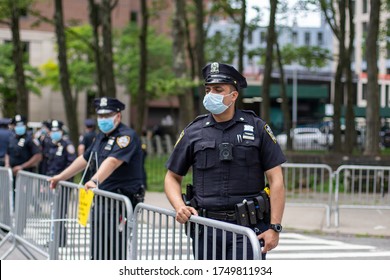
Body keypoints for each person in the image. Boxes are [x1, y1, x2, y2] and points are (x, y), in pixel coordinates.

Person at [164, 62, 286, 260]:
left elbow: (276, 179)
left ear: (234, 95)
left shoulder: (257, 128)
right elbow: (172, 177)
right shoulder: (194, 131)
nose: (211, 94)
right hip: (206, 228)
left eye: (218, 89)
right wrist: (180, 206)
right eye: (208, 89)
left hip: (248, 229)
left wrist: (275, 227)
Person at [48, 97, 145, 260]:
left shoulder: (126, 137)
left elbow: (113, 161)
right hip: (101, 200)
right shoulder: (101, 136)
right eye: (100, 116)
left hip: (120, 202)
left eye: (107, 115)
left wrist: (94, 180)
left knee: (115, 250)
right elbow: (85, 159)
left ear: (118, 116)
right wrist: (60, 177)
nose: (103, 120)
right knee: (98, 249)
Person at [41, 120, 77, 246]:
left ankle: (60, 239)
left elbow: (72, 164)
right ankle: (54, 238)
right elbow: (47, 164)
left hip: (63, 184)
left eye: (57, 131)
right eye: (53, 131)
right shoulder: (50, 145)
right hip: (52, 182)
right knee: (54, 211)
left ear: (62, 132)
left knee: (61, 212)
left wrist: (63, 179)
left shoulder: (67, 145)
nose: (55, 133)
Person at [78, 118, 97, 183]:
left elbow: (81, 148)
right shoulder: (97, 135)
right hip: (95, 160)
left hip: (86, 160)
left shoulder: (84, 136)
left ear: (86, 126)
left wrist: (81, 160)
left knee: (85, 180)